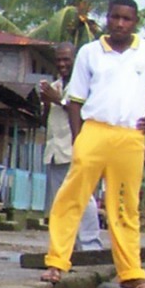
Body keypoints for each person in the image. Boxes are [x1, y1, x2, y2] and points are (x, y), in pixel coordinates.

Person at [40, 0, 145, 288]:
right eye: (115, 17)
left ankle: (132, 274)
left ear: (135, 22)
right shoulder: (90, 53)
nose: (120, 23)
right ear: (107, 19)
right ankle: (57, 262)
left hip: (130, 137)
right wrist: (79, 138)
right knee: (72, 197)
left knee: (124, 207)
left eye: (126, 19)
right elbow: (75, 100)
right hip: (94, 131)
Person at [41, 43, 103, 253]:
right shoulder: (56, 86)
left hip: (76, 148)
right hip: (55, 152)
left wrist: (57, 100)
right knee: (60, 204)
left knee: (83, 200)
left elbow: (85, 114)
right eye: (58, 60)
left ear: (76, 59)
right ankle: (69, 249)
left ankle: (91, 248)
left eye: (66, 59)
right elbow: (45, 120)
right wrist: (48, 102)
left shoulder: (87, 85)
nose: (62, 64)